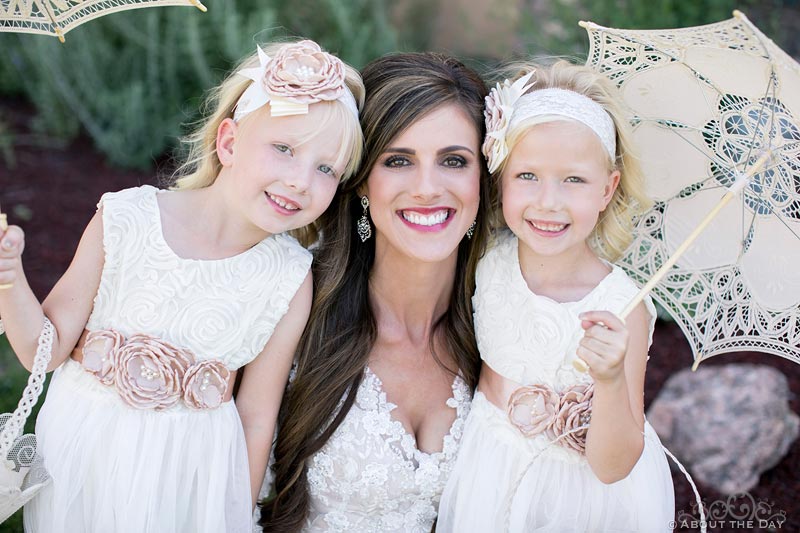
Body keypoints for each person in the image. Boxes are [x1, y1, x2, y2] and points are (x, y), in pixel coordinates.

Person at [0, 39, 364, 533]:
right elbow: (42, 349)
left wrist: (238, 511)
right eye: (284, 149)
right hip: (83, 455)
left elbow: (257, 415)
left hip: (191, 477)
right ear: (230, 142)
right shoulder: (127, 218)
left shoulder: (288, 277)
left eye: (327, 169)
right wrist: (8, 277)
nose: (301, 180)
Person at [437, 60, 675, 532]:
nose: (549, 201)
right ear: (500, 176)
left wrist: (608, 380)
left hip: (582, 500)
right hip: (490, 470)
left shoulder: (624, 306)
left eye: (574, 180)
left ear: (607, 190)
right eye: (528, 176)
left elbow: (613, 465)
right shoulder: (487, 260)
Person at [258, 52, 490, 532]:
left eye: (453, 160)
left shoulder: (500, 328)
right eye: (399, 160)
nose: (427, 188)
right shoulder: (295, 305)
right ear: (362, 182)